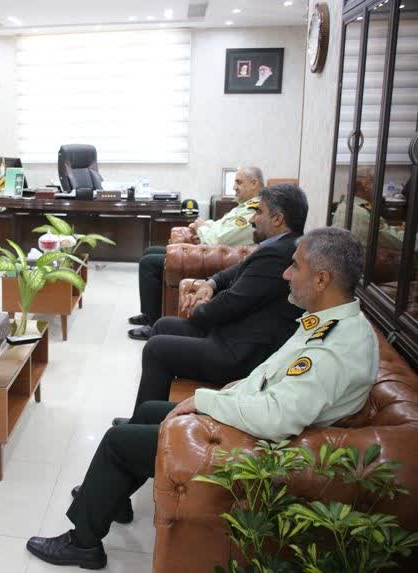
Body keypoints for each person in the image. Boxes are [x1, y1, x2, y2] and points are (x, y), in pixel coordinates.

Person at [26, 227, 378, 569]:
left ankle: (83, 543)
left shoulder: (332, 350)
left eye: (295, 266)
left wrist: (206, 401)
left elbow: (276, 417)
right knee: (148, 411)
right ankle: (112, 498)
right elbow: (273, 381)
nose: (286, 274)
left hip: (257, 445)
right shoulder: (332, 324)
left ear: (322, 279)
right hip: (251, 418)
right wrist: (227, 393)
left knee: (118, 441)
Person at [128, 183, 308, 414]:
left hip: (242, 353)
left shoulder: (279, 255)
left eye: (259, 212)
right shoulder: (281, 246)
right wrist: (211, 283)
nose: (253, 219)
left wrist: (198, 309)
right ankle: (147, 415)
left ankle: (147, 420)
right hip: (236, 333)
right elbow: (238, 269)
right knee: (163, 325)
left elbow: (232, 303)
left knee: (156, 349)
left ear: (277, 219)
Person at [128, 166, 263, 340]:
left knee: (149, 263)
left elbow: (218, 239)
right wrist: (204, 228)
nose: (234, 187)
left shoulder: (253, 210)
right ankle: (150, 313)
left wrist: (201, 228)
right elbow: (217, 227)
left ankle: (153, 324)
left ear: (254, 183)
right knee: (150, 251)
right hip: (213, 251)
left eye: (239, 182)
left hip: (223, 258)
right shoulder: (243, 207)